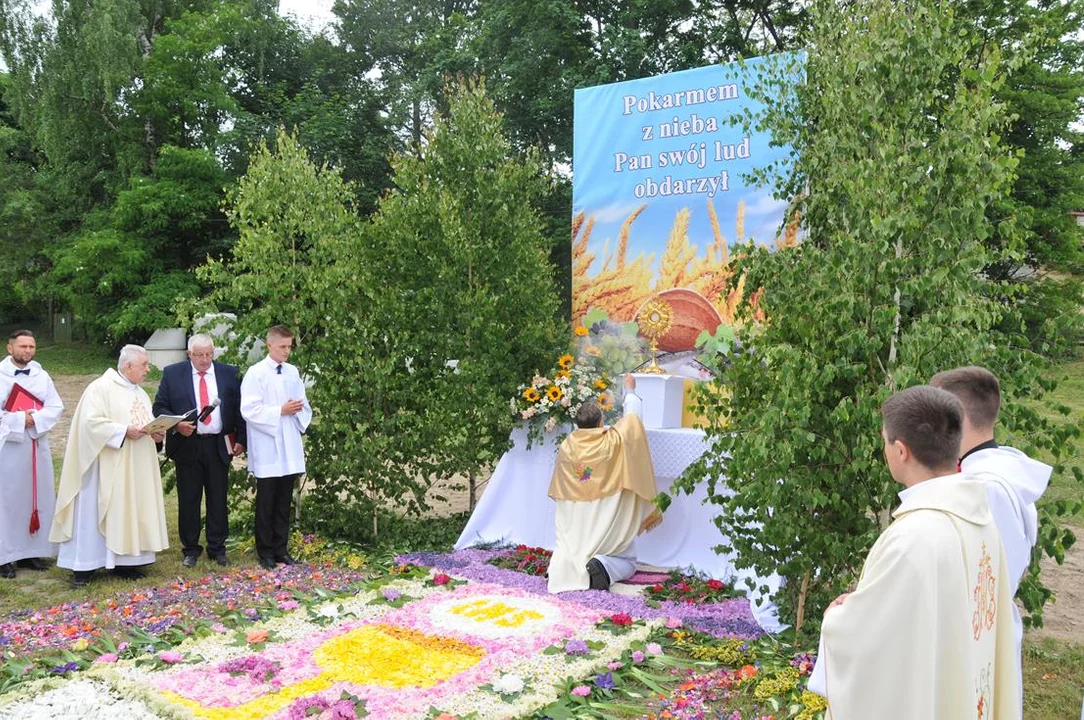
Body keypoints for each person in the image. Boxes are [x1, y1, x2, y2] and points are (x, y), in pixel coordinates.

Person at [814, 385, 1020, 719]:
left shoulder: (912, 538)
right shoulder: (983, 522)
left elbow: (865, 639)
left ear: (900, 450)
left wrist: (837, 617)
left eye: (885, 442)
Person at [931, 365, 1051, 708]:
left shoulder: (986, 487)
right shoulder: (985, 474)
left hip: (977, 632)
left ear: (955, 417)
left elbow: (988, 573)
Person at [50, 345, 169, 587]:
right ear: (128, 366)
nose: (148, 369)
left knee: (130, 508)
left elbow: (144, 423)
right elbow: (90, 424)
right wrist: (123, 431)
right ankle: (85, 565)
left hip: (134, 466)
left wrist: (156, 435)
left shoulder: (140, 393)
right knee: (96, 511)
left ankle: (126, 563)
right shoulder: (100, 388)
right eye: (144, 365)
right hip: (104, 466)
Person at [547, 373, 661, 593]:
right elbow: (633, 419)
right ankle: (603, 566)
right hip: (607, 523)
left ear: (577, 424)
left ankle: (565, 565)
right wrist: (629, 391)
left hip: (576, 525)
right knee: (627, 563)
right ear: (600, 422)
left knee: (570, 549)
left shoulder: (567, 447)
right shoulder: (613, 441)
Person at [153, 334, 247, 568]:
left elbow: (238, 408)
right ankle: (191, 549)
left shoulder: (229, 373)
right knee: (189, 498)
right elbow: (159, 406)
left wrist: (241, 440)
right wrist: (177, 425)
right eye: (200, 355)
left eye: (209, 354)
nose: (205, 360)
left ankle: (217, 547)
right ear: (189, 354)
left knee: (218, 498)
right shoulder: (173, 373)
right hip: (188, 445)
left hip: (218, 444)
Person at [241, 326, 311, 570]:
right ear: (270, 345)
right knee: (267, 501)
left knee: (283, 500)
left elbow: (304, 405)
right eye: (283, 346)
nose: (287, 351)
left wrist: (297, 412)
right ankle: (266, 551)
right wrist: (279, 411)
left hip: (288, 443)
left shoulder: (292, 372)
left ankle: (281, 549)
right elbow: (249, 409)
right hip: (268, 444)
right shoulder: (256, 373)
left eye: (290, 346)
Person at [0, 330, 63, 578]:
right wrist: (19, 420)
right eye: (23, 346)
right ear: (10, 348)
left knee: (35, 497)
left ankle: (31, 552)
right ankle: (4, 555)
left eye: (32, 347)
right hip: (8, 446)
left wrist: (34, 420)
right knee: (7, 500)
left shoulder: (41, 375)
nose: (27, 351)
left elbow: (56, 406)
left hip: (36, 443)